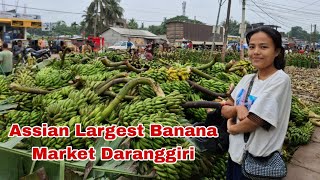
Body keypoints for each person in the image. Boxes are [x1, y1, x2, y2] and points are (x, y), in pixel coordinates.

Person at [221, 26, 292, 180]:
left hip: (258, 162)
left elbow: (255, 121)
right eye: (252, 47)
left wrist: (232, 128)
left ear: (277, 51)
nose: (256, 52)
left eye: (264, 47)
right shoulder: (247, 79)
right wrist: (237, 109)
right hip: (235, 157)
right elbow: (225, 109)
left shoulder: (280, 80)